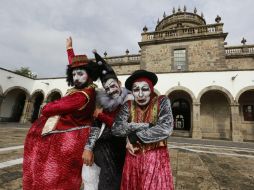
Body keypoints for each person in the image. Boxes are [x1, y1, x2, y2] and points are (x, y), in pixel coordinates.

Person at [23, 47, 100, 190]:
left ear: (89, 75)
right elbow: (76, 65)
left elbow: (48, 109)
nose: (76, 77)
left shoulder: (81, 96)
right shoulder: (87, 89)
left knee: (55, 175)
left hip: (67, 140)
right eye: (73, 74)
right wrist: (69, 50)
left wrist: (50, 105)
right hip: (70, 136)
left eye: (80, 74)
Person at [66, 37, 132, 190]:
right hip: (102, 145)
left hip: (120, 148)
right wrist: (88, 147)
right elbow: (95, 127)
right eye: (107, 88)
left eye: (113, 86)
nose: (111, 90)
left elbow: (121, 127)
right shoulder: (103, 102)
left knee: (111, 176)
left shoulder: (129, 102)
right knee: (89, 175)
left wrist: (101, 115)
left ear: (120, 84)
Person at [112, 69, 174, 190]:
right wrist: (146, 126)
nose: (140, 94)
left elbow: (166, 128)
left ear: (151, 89)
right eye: (136, 90)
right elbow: (116, 128)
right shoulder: (128, 105)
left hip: (155, 159)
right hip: (133, 159)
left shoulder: (162, 101)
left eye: (144, 89)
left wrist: (134, 137)